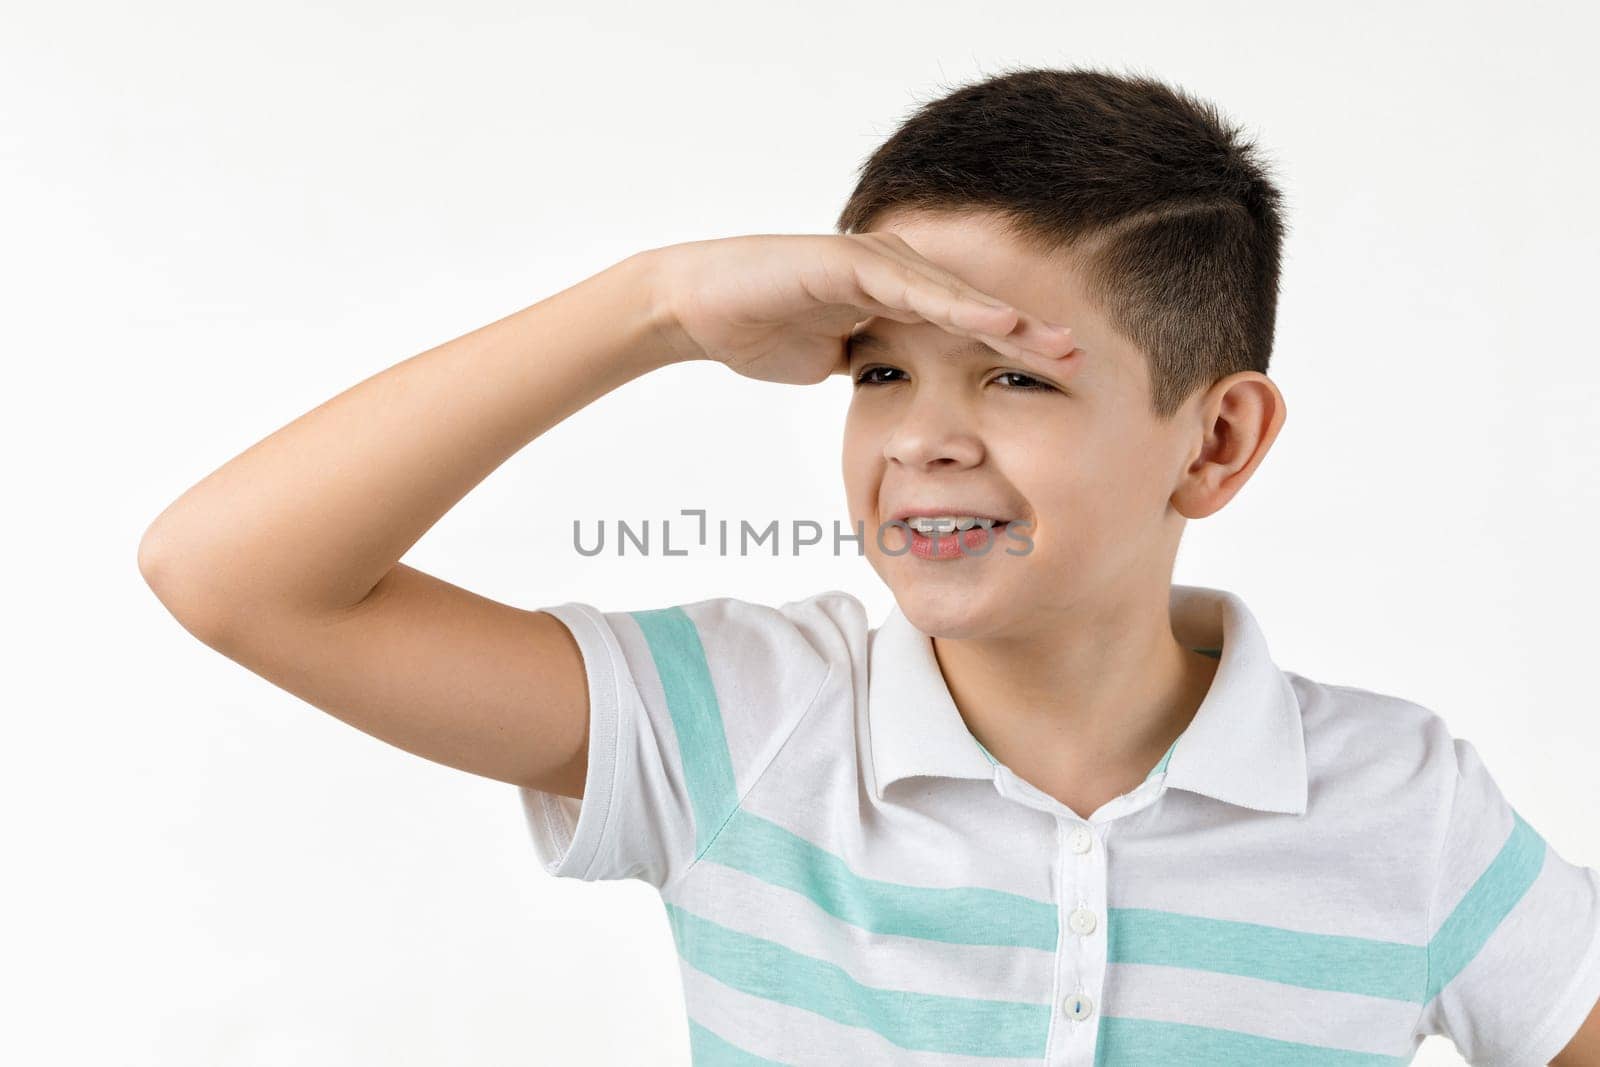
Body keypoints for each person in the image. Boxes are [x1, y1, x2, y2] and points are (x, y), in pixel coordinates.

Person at [137, 65, 1600, 1064]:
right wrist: (654, 308)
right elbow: (230, 575)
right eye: (881, 374)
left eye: (1015, 380)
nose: (925, 442)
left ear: (1213, 442)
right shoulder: (739, 721)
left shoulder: (1405, 809)